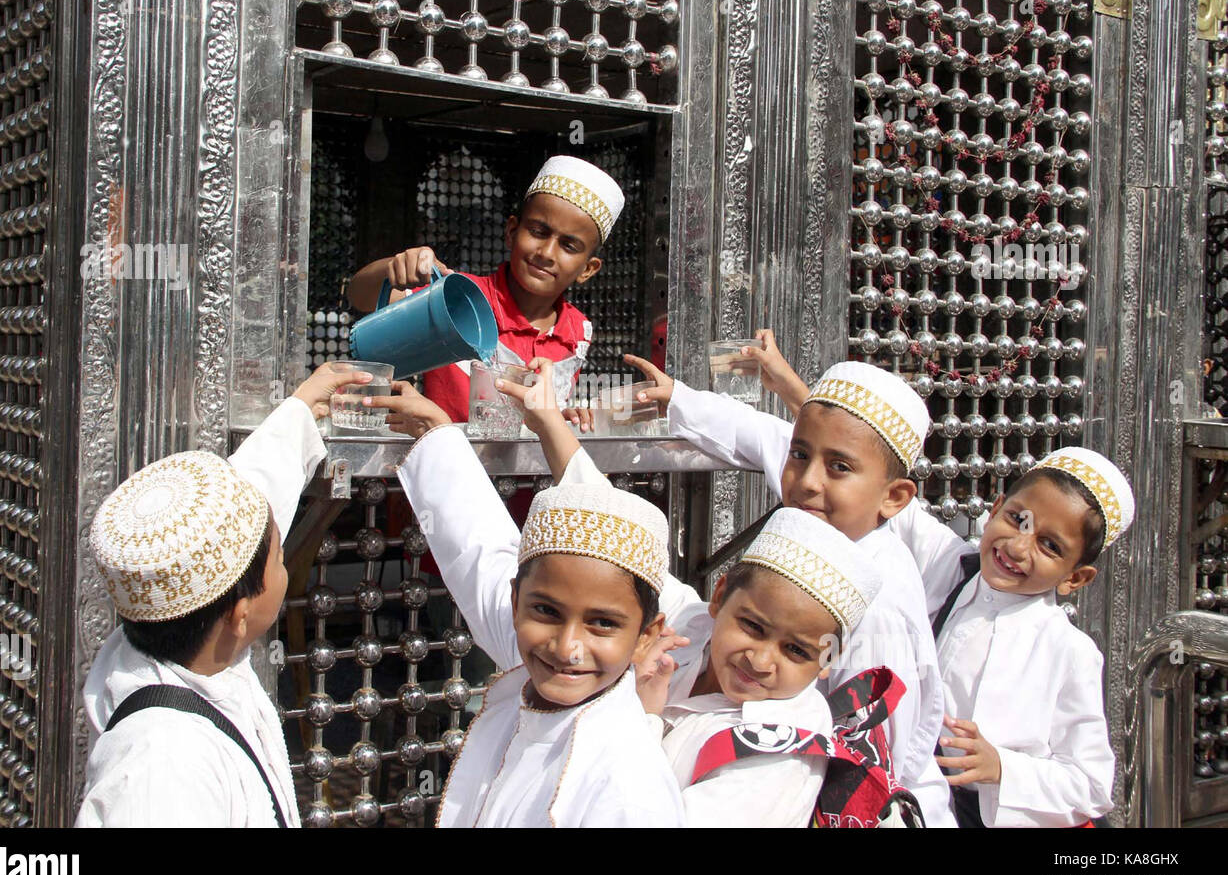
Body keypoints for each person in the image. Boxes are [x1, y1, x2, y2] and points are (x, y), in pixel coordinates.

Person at [623, 349, 956, 825]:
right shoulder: (830, 522)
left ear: (894, 497)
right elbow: (761, 432)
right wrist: (679, 398)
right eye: (799, 456)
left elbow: (877, 753)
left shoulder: (877, 606)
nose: (805, 481)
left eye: (838, 467)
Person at [370, 383, 685, 827]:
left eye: (602, 623)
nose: (567, 646)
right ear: (516, 602)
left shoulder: (628, 790)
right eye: (547, 612)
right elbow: (479, 553)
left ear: (646, 635)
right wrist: (438, 436)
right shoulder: (530, 678)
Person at [76, 364, 370, 827]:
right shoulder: (162, 768)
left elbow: (242, 503)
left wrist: (299, 409)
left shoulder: (175, 618)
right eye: (278, 560)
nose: (283, 566)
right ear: (240, 613)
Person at [887, 446, 1132, 827]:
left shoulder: (1069, 651)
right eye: (1019, 520)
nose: (1018, 547)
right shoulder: (954, 568)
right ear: (996, 507)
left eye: (1050, 546)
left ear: (1074, 577)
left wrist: (1001, 767)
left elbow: (1093, 785)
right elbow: (880, 487)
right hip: (925, 799)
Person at [346, 155, 624, 420]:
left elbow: (539, 419)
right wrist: (394, 267)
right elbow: (359, 295)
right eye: (538, 232)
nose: (547, 253)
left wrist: (565, 418)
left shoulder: (578, 329)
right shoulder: (457, 297)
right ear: (512, 232)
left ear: (588, 269)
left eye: (568, 246)